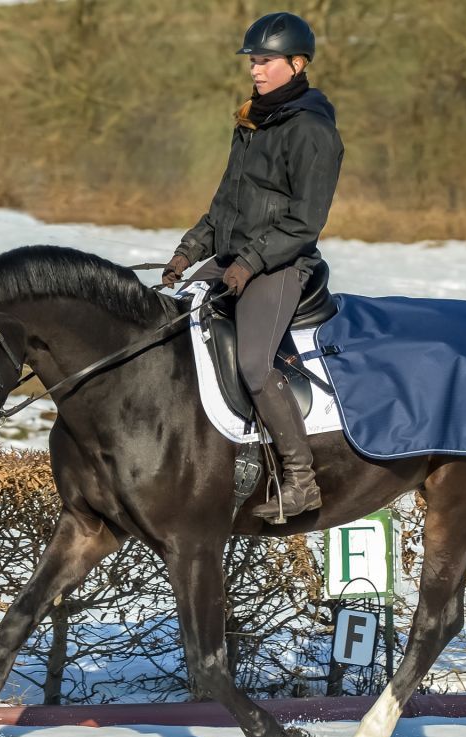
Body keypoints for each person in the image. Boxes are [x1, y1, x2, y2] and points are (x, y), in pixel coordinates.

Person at [161, 12, 344, 521]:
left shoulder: (312, 132)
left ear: (296, 63)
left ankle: (300, 480)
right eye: (253, 62)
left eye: (265, 62)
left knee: (255, 366)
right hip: (232, 260)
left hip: (283, 264)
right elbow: (225, 205)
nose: (255, 71)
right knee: (168, 327)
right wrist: (188, 250)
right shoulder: (250, 121)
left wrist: (251, 261)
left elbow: (305, 222)